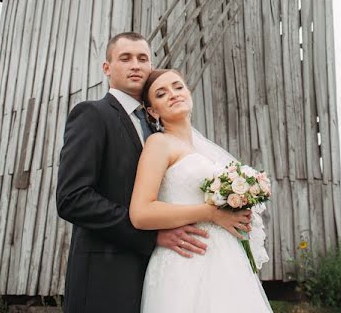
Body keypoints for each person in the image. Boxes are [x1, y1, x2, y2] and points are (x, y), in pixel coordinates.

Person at [55, 32, 210, 313]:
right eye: (125, 58)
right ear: (107, 68)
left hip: (158, 276)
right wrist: (150, 236)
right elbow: (72, 198)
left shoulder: (157, 130)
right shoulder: (91, 115)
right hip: (105, 276)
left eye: (143, 58)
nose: (136, 65)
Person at [130, 68, 273, 313]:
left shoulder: (203, 148)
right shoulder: (158, 144)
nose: (173, 94)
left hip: (224, 260)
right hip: (186, 259)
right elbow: (141, 213)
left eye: (178, 87)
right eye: (161, 94)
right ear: (153, 111)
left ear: (188, 92)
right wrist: (211, 213)